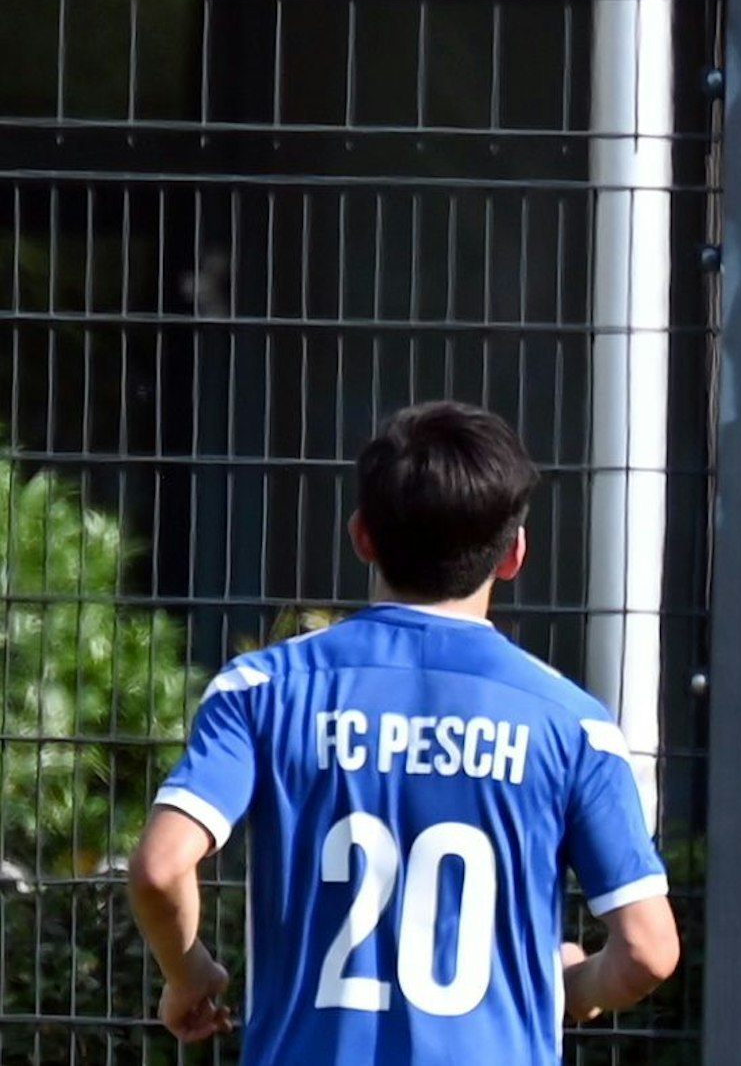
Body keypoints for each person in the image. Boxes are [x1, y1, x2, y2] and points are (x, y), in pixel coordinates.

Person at [128, 401, 680, 1064]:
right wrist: (571, 984)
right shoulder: (573, 725)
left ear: (361, 536)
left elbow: (161, 868)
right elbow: (648, 949)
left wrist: (190, 974)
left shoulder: (262, 689)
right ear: (514, 554)